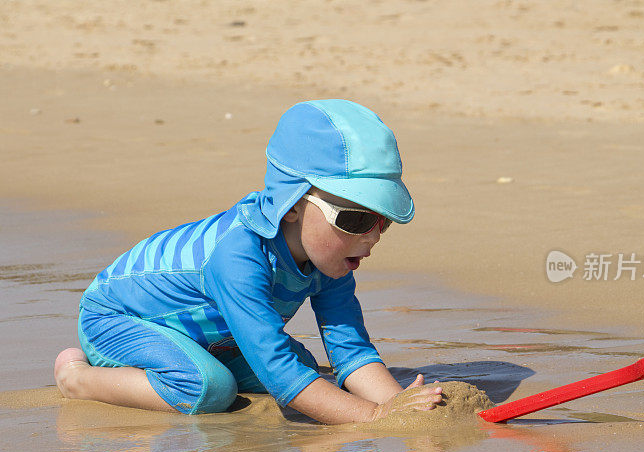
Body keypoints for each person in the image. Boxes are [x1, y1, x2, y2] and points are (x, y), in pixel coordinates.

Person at [54, 99, 443, 424]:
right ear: (291, 206)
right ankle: (80, 379)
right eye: (356, 219)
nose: (372, 236)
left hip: (209, 338)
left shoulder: (333, 257)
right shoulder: (237, 256)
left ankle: (181, 362)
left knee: (305, 363)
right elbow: (279, 372)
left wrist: (399, 406)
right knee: (207, 388)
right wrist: (375, 419)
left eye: (382, 221)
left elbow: (351, 350)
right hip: (116, 319)